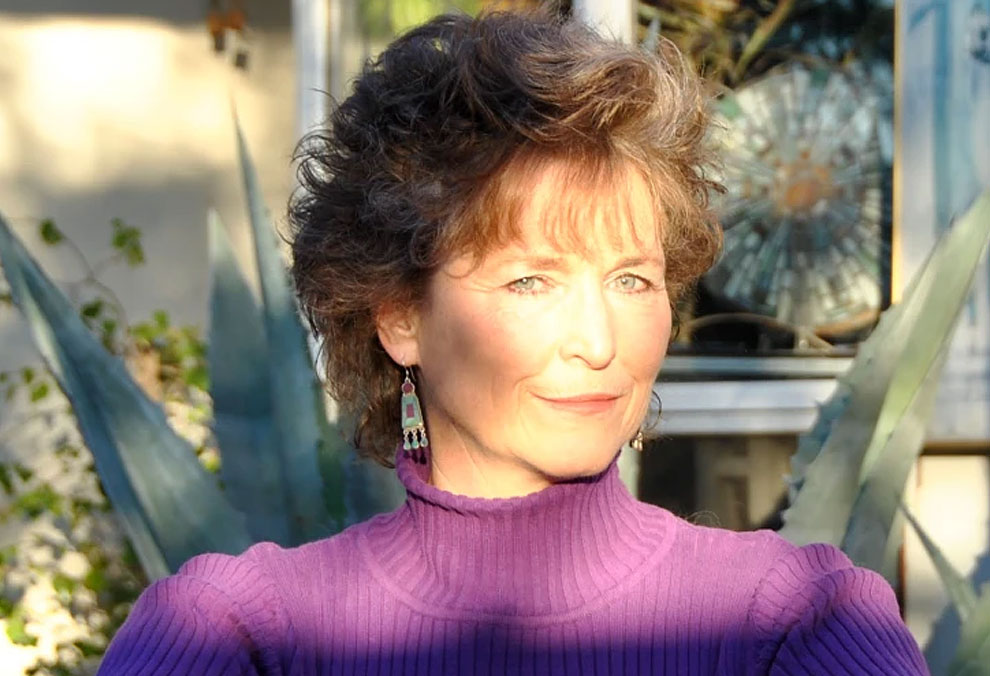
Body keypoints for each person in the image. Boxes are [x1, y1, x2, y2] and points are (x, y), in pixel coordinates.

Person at [97, 9, 928, 675]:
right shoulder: (236, 638)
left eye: (632, 279)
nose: (599, 343)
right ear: (399, 316)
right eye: (531, 280)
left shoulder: (799, 628)